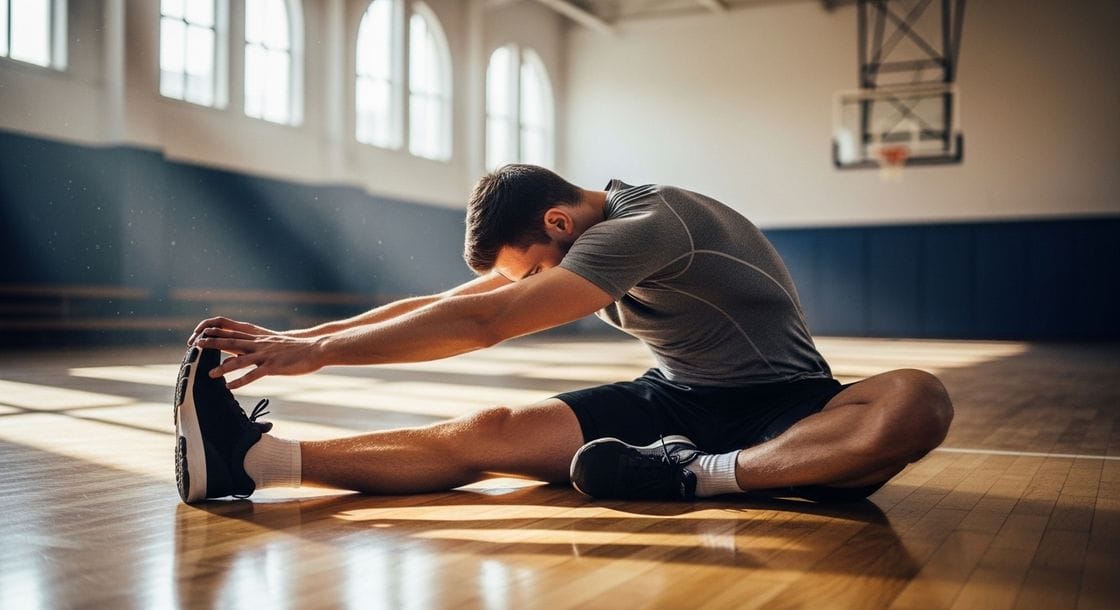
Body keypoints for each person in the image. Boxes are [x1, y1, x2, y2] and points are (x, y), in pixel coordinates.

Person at [174, 164, 953, 504]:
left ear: (558, 222)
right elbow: (450, 299)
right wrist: (305, 336)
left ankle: (702, 476)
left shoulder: (645, 224)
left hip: (791, 408)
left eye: (533, 270)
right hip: (673, 404)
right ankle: (253, 462)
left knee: (918, 401)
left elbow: (484, 323)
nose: (532, 284)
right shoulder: (583, 229)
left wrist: (316, 356)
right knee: (489, 430)